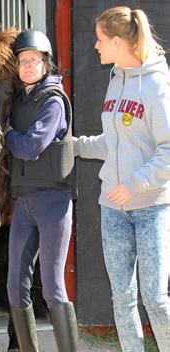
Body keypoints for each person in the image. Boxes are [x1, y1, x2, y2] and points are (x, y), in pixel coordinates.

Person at [0, 29, 78, 352]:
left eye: (33, 61)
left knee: (52, 288)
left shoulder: (52, 102)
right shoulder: (20, 99)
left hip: (52, 201)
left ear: (45, 64)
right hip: (25, 202)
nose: (27, 66)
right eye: (22, 61)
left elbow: (30, 146)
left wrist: (5, 133)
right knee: (14, 286)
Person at [73, 6, 170, 352]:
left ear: (117, 41)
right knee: (123, 299)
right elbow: (112, 143)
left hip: (150, 209)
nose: (96, 46)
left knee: (156, 300)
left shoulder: (157, 84)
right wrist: (74, 146)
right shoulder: (115, 80)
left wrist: (134, 184)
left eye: (100, 40)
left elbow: (168, 151)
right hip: (112, 210)